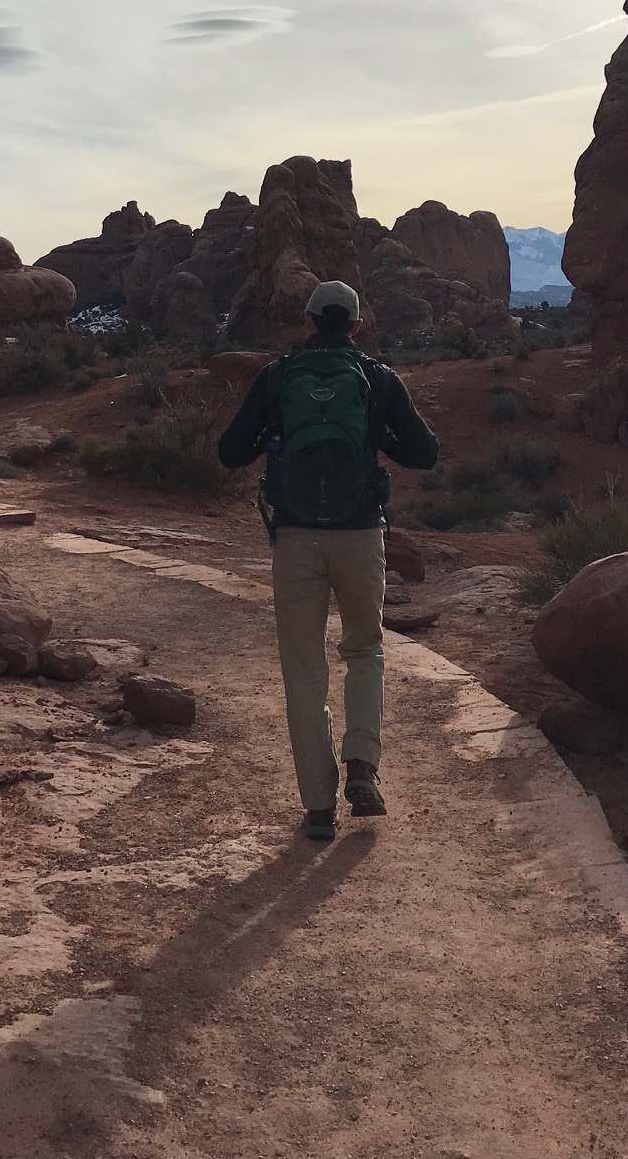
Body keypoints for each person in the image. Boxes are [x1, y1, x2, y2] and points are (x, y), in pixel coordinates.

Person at [217, 280, 441, 842]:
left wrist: (276, 429)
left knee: (303, 668)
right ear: (357, 326)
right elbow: (426, 454)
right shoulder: (377, 377)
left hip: (295, 539)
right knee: (365, 649)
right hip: (360, 536)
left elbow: (228, 453)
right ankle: (362, 761)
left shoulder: (276, 376)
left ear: (310, 321)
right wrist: (377, 434)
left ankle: (318, 807)